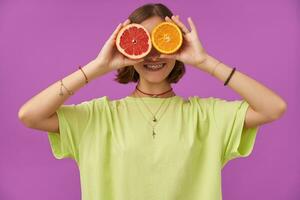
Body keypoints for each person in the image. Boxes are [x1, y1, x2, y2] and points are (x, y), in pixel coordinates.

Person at [18, 3, 287, 200]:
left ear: (178, 46)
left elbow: (273, 108)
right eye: (143, 42)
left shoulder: (207, 115)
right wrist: (98, 66)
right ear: (127, 47)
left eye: (163, 40)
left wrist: (205, 61)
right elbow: (30, 115)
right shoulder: (98, 117)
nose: (153, 54)